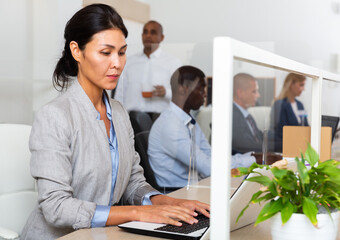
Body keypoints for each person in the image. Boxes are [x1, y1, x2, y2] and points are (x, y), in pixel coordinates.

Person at [20, 4, 209, 240]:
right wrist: (138, 212)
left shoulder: (118, 112)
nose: (117, 63)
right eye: (106, 52)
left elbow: (132, 182)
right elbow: (56, 207)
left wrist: (167, 201)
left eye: (121, 52)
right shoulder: (55, 116)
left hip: (102, 234)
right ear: (77, 51)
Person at [148, 66, 256, 188]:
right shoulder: (170, 125)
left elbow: (210, 155)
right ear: (183, 89)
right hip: (178, 194)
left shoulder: (187, 120)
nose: (205, 94)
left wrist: (251, 157)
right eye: (201, 89)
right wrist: (253, 160)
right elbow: (208, 167)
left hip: (196, 187)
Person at [114, 20, 182, 118]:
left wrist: (166, 92)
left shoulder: (173, 63)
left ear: (161, 37)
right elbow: (120, 93)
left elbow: (180, 95)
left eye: (153, 32)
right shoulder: (129, 61)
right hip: (131, 119)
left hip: (161, 119)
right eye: (145, 32)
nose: (148, 36)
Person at [270, 73, 308, 152]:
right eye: (301, 85)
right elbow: (282, 132)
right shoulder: (279, 104)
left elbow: (306, 126)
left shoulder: (300, 105)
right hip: (285, 148)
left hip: (300, 146)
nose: (303, 89)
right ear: (291, 84)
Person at [232, 73, 263, 153]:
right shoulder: (232, 117)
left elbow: (261, 137)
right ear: (240, 93)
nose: (258, 95)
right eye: (254, 91)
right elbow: (248, 147)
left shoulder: (248, 116)